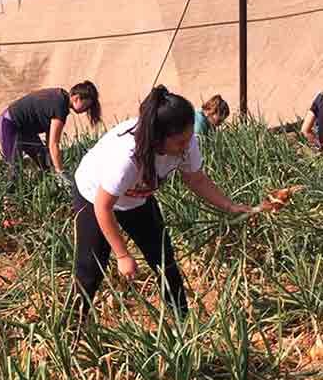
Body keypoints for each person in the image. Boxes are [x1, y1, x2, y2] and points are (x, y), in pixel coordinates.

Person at [72, 85, 254, 315]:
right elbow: (103, 206)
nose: (187, 146)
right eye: (179, 142)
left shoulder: (185, 141)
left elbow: (196, 179)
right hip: (94, 196)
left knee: (164, 260)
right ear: (158, 138)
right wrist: (122, 254)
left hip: (136, 198)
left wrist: (230, 206)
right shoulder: (127, 157)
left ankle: (183, 322)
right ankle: (72, 331)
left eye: (188, 139)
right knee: (90, 270)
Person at [0, 81, 102, 194]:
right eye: (86, 106)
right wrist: (60, 172)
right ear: (76, 98)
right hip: (10, 123)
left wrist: (52, 163)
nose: (85, 111)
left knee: (44, 161)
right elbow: (54, 144)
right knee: (14, 168)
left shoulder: (60, 100)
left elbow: (49, 139)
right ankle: (8, 200)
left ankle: (45, 191)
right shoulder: (60, 105)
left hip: (25, 130)